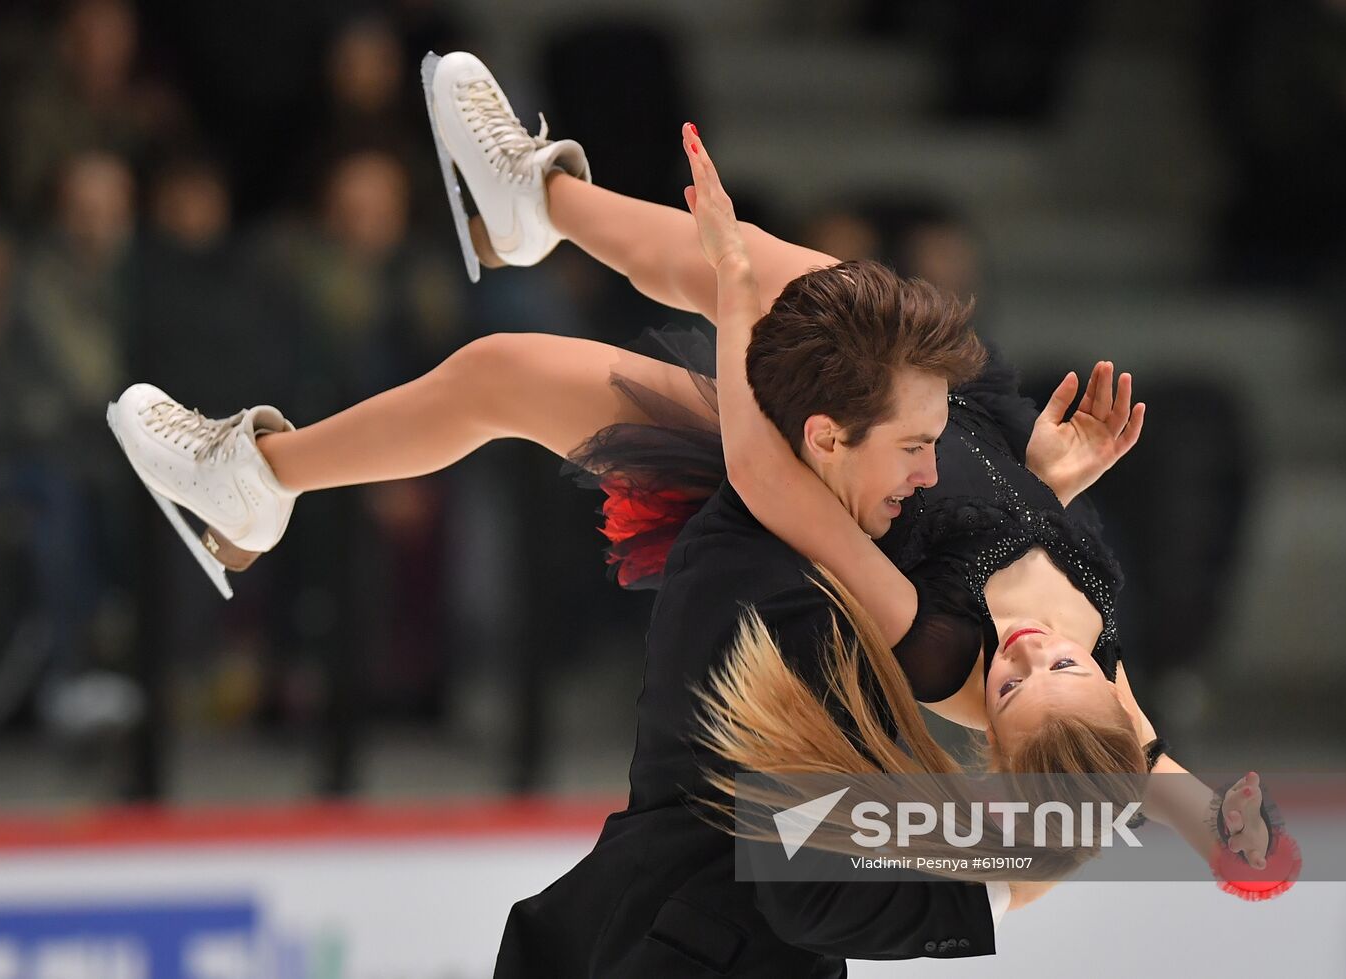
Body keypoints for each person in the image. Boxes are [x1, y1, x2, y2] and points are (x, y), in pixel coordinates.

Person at [107, 53, 1277, 971]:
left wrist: (730, 319)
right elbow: (1145, 766)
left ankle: (261, 474)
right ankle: (529, 210)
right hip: (942, 432)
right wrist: (1224, 838)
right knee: (788, 283)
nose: (1026, 657)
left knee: (566, 351)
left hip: (819, 477)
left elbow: (784, 500)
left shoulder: (939, 649)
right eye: (1055, 669)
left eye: (1009, 692)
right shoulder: (1095, 663)